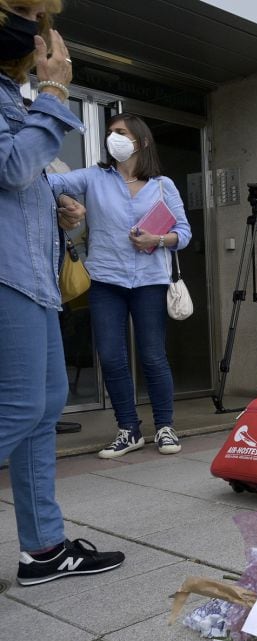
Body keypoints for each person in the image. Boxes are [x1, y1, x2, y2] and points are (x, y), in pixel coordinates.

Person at [1, 3, 125, 585]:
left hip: (30, 275)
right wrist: (52, 93)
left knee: (44, 408)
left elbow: (18, 184)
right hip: (6, 276)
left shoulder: (11, 96)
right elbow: (10, 166)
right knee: (23, 407)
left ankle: (45, 548)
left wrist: (58, 210)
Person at [49, 112, 191, 458]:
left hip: (148, 282)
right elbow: (48, 184)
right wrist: (66, 201)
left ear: (140, 141)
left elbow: (184, 234)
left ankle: (165, 427)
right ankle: (128, 430)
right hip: (106, 280)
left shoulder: (162, 185)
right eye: (110, 132)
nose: (114, 137)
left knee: (153, 356)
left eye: (121, 132)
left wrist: (157, 239)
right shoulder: (94, 178)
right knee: (111, 357)